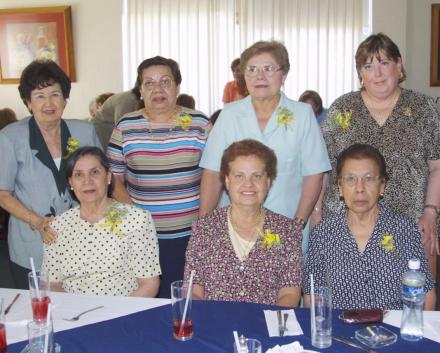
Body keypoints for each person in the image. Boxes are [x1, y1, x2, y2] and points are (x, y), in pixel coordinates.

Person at [317, 33, 440, 276]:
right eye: (368, 66)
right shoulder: (343, 108)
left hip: (414, 223)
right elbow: (324, 167)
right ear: (360, 72)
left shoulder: (422, 108)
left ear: (399, 64)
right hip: (347, 224)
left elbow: (437, 166)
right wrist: (318, 214)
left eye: (384, 63)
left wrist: (430, 212)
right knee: (350, 298)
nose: (378, 73)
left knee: (415, 299)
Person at [199, 40, 331, 253]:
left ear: (284, 74)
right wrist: (203, 227)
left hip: (286, 227)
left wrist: (298, 224)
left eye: (268, 69)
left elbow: (314, 174)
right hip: (234, 229)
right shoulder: (229, 115)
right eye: (252, 70)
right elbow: (212, 172)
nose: (260, 77)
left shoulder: (302, 114)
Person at [108, 56, 211, 298]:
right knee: (145, 301)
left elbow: (213, 176)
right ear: (140, 90)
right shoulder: (125, 126)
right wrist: (138, 218)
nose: (158, 89)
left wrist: (203, 224)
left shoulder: (199, 123)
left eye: (166, 82)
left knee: (187, 301)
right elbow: (114, 179)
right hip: (141, 235)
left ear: (177, 87)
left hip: (190, 234)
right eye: (149, 83)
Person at [0, 59, 101, 289]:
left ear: (65, 100)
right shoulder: (10, 137)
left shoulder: (85, 132)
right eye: (39, 95)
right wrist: (36, 222)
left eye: (55, 94)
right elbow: (3, 193)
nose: (48, 103)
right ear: (28, 102)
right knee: (40, 311)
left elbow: (102, 180)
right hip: (32, 242)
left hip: (84, 239)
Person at [303, 144, 436, 310]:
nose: (360, 189)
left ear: (382, 186)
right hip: (340, 331)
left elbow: (427, 294)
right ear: (340, 187)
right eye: (350, 179)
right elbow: (311, 296)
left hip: (392, 331)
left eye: (369, 179)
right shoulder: (323, 234)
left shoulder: (404, 229)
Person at [185, 139, 302, 306]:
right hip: (216, 324)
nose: (248, 184)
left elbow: (290, 293)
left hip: (266, 326)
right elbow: (194, 290)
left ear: (268, 182)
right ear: (227, 181)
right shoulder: (204, 228)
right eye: (239, 176)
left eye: (257, 176)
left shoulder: (287, 231)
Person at [42, 147, 161, 296]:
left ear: (109, 176)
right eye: (78, 175)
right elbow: (51, 283)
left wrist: (118, 315)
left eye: (95, 172)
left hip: (121, 311)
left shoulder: (137, 219)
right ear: (70, 182)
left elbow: (149, 284)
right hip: (72, 314)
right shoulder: (57, 226)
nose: (87, 181)